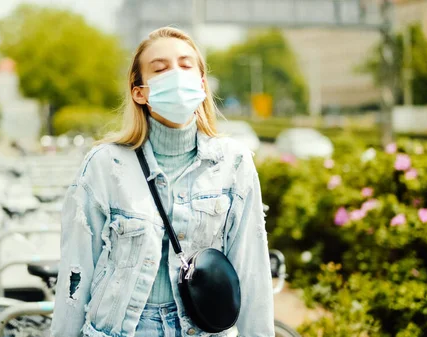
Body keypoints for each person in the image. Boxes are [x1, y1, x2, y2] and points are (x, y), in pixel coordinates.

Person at [52, 27, 275, 337]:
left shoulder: (234, 162)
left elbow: (251, 272)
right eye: (160, 68)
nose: (176, 75)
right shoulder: (105, 165)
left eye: (186, 65)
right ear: (139, 92)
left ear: (201, 84)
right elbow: (75, 274)